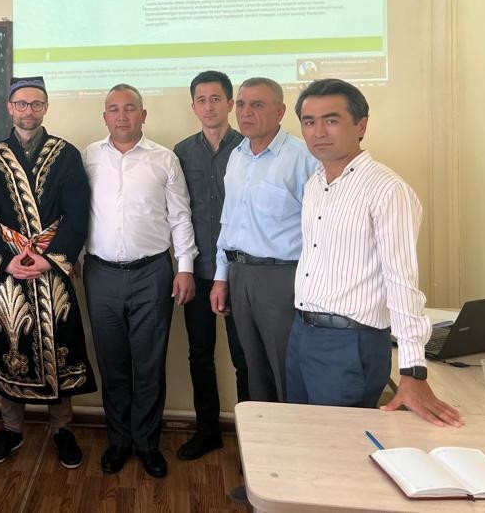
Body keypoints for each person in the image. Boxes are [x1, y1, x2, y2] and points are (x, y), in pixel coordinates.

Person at [290, 78, 463, 426]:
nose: (318, 131)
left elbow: (402, 281)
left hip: (350, 342)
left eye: (331, 120)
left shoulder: (386, 190)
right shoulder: (315, 185)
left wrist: (413, 371)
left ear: (361, 125)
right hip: (303, 334)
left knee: (339, 445)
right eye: (309, 122)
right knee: (304, 436)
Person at [0, 77, 96, 471]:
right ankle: (11, 428)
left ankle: (62, 428)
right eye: (21, 103)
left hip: (53, 270)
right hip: (9, 271)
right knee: (12, 344)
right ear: (10, 107)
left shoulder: (66, 154)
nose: (28, 110)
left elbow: (78, 215)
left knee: (62, 345)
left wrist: (51, 259)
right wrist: (3, 259)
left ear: (46, 107)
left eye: (36, 104)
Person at [83, 83, 197, 479]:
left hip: (153, 273)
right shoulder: (87, 157)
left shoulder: (164, 159)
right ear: (105, 117)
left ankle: (147, 444)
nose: (122, 115)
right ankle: (119, 442)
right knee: (111, 363)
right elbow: (75, 212)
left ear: (143, 115)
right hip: (100, 274)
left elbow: (180, 216)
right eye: (114, 109)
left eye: (130, 108)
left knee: (149, 364)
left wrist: (185, 267)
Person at [210, 77, 317, 403]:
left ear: (280, 111)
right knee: (254, 370)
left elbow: (320, 228)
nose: (246, 112)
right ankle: (263, 435)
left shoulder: (302, 157)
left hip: (282, 278)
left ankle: (292, 436)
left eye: (257, 105)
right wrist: (221, 276)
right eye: (241, 104)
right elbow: (228, 221)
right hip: (240, 275)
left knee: (286, 369)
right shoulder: (237, 155)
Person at [171, 71, 248, 461]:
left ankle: (253, 439)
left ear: (230, 104)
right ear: (193, 106)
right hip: (198, 271)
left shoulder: (249, 148)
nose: (208, 106)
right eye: (201, 100)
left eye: (216, 98)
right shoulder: (181, 152)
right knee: (199, 353)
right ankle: (207, 431)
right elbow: (177, 213)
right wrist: (182, 265)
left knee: (244, 357)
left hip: (241, 271)